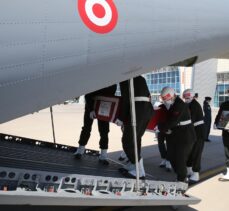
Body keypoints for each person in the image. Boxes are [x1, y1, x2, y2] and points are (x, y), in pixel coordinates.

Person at [115, 76, 153, 179]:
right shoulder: (141, 77)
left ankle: (139, 171)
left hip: (137, 109)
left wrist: (121, 118)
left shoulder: (125, 77)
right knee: (136, 139)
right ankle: (133, 164)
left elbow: (126, 99)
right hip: (147, 109)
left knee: (127, 141)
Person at [158, 87, 196, 183]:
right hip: (175, 135)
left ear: (173, 96)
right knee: (171, 156)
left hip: (185, 136)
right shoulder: (172, 103)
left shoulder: (179, 105)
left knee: (180, 158)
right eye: (164, 100)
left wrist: (161, 127)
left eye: (167, 100)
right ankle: (180, 175)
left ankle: (182, 179)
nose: (166, 102)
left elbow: (173, 121)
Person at [74, 84, 117, 165]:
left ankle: (103, 156)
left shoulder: (113, 84)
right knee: (86, 128)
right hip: (90, 106)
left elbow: (111, 97)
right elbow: (87, 95)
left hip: (103, 107)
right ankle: (79, 151)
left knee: (104, 131)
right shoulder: (97, 80)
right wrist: (91, 110)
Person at [183, 89, 205, 183]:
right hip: (193, 131)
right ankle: (189, 170)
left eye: (187, 98)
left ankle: (196, 174)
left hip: (198, 131)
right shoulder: (189, 104)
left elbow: (190, 120)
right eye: (185, 98)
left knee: (196, 152)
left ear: (191, 97)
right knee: (190, 151)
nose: (186, 99)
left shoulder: (194, 105)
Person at [153, 101, 172, 171]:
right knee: (160, 144)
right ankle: (164, 159)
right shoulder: (160, 106)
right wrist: (156, 126)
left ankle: (168, 161)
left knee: (169, 145)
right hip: (160, 128)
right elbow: (157, 117)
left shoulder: (172, 106)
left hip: (169, 128)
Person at [214, 95, 229, 180]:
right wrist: (216, 123)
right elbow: (219, 115)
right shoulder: (224, 104)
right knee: (227, 152)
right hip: (226, 132)